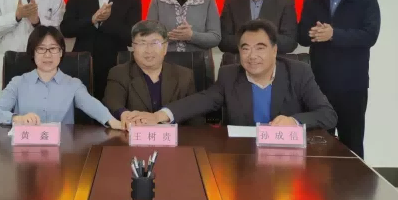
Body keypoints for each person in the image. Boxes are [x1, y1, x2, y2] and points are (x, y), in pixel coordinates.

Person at [125, 20, 337, 130]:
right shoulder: (230, 75)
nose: (252, 56)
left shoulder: (298, 72)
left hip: (288, 157)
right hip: (242, 157)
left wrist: (294, 121)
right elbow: (202, 100)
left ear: (274, 50)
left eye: (260, 48)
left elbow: (327, 115)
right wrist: (158, 116)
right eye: (245, 48)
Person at [298, 0, 380, 158]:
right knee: (317, 143)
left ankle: (352, 181)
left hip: (352, 85)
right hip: (318, 84)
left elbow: (369, 36)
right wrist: (315, 33)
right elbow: (302, 36)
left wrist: (333, 34)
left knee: (351, 143)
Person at [0, 25, 123, 129]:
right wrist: (17, 119)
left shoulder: (73, 84)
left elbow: (92, 105)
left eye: (53, 48)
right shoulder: (18, 83)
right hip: (25, 149)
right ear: (32, 53)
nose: (47, 55)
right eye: (41, 49)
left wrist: (113, 121)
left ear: (61, 52)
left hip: (62, 150)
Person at [60, 0, 142, 100]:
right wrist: (92, 20)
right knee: (80, 109)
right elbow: (66, 29)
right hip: (82, 64)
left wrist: (106, 22)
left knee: (113, 108)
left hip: (116, 66)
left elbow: (132, 37)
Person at [103, 20, 204, 126]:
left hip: (176, 135)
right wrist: (124, 115)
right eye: (142, 43)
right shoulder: (119, 73)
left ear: (165, 47)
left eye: (155, 43)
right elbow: (112, 104)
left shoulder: (184, 76)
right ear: (134, 47)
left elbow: (194, 115)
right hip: (132, 134)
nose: (149, 50)